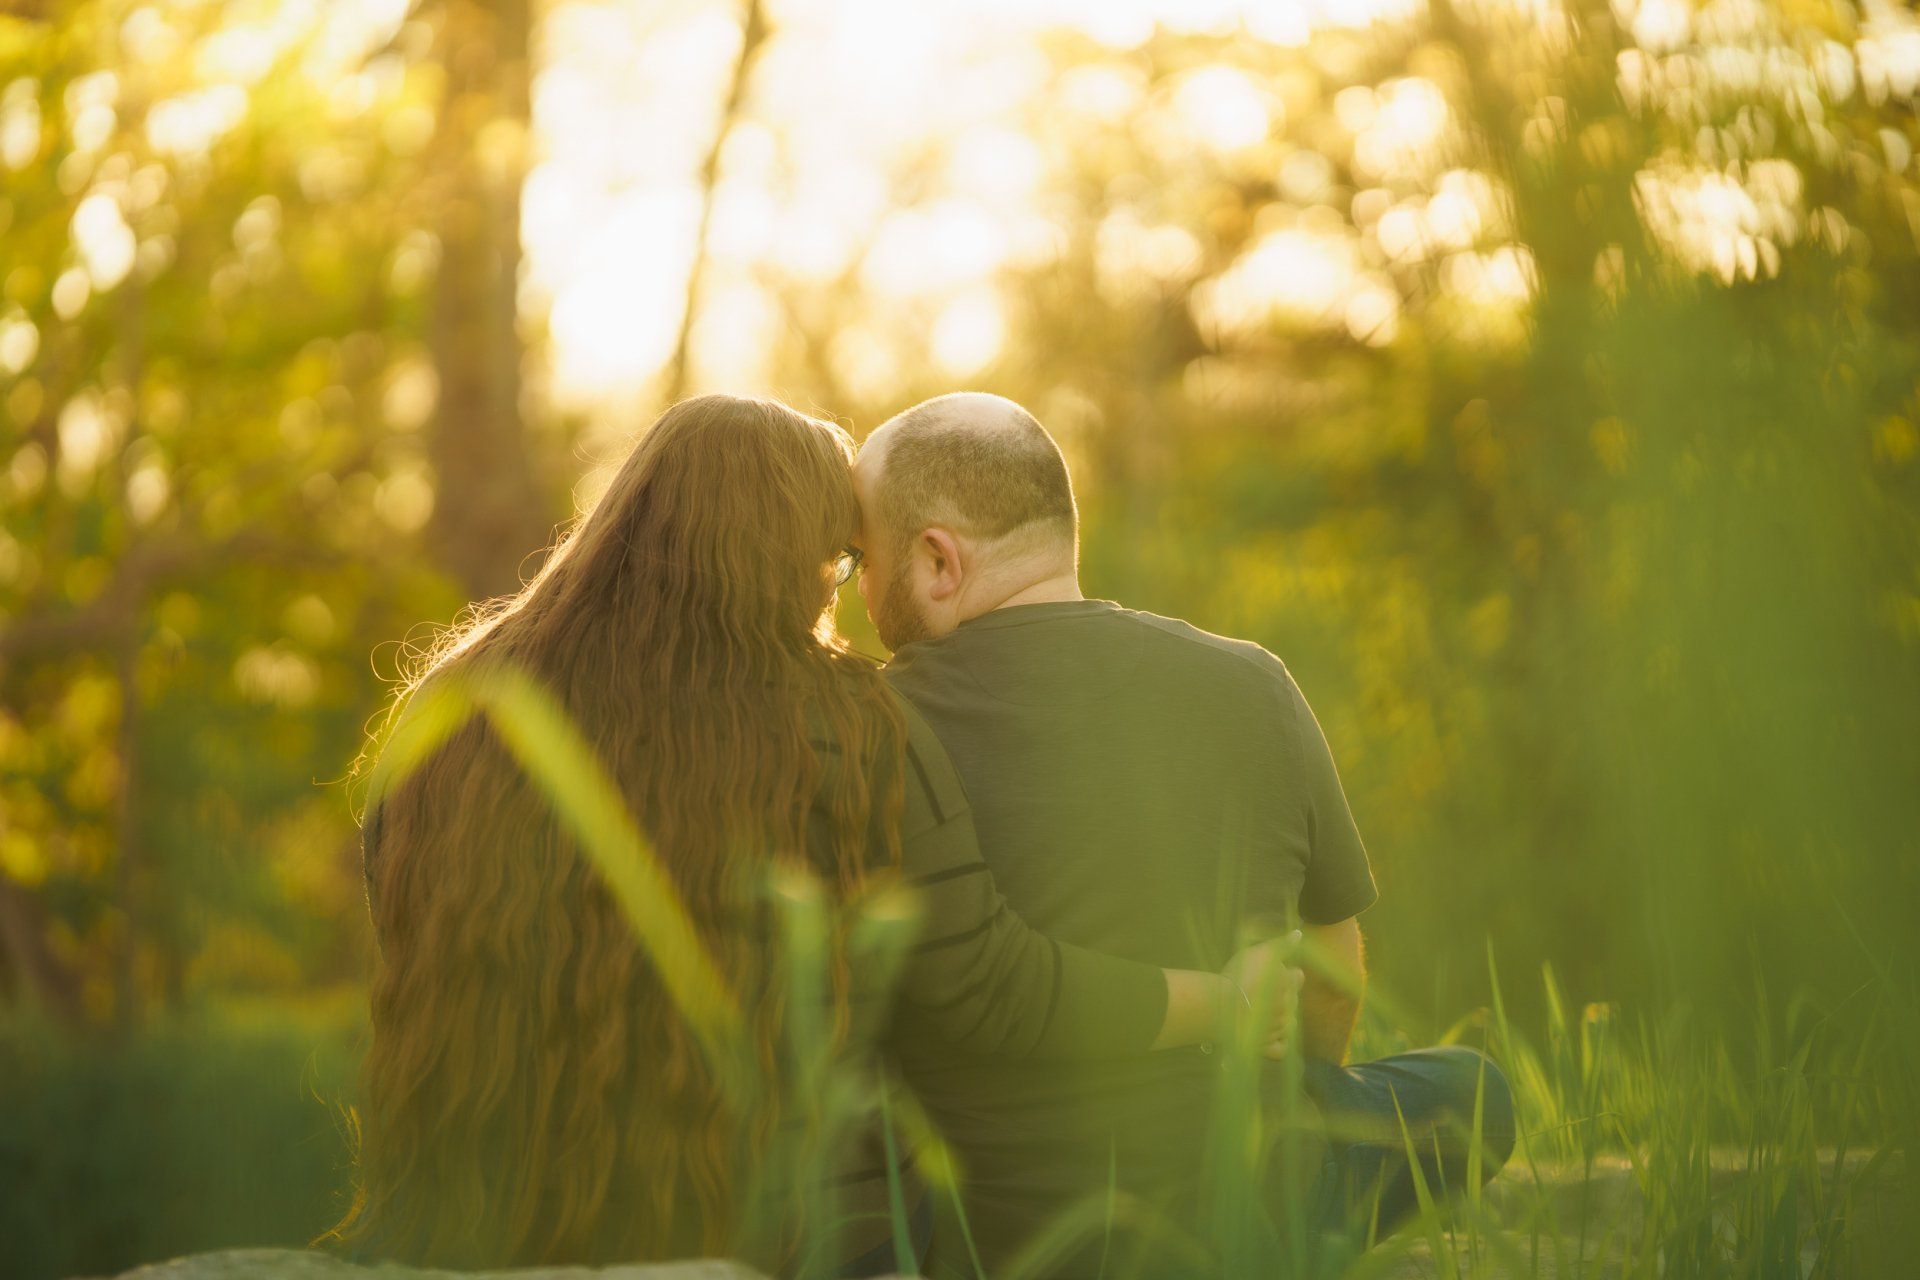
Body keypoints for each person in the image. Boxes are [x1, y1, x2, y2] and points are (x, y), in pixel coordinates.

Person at [330, 394, 1293, 1276]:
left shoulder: (453, 707)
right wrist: (1220, 1000)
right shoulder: (850, 730)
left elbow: (401, 914)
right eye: (839, 563)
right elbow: (986, 984)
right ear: (790, 558)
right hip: (784, 1232)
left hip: (474, 1216)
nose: (842, 596)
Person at [851, 391, 1517, 1275]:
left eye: (862, 557)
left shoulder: (871, 729)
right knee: (1475, 1092)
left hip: (987, 1231)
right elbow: (1331, 967)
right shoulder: (1253, 683)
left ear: (938, 561)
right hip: (1238, 1211)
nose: (856, 590)